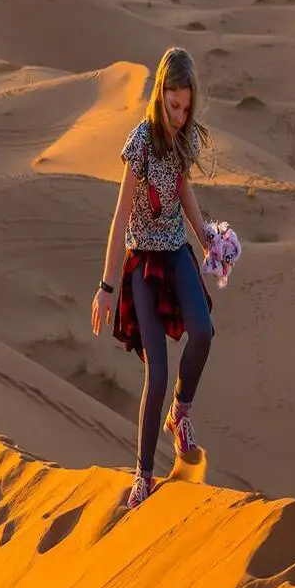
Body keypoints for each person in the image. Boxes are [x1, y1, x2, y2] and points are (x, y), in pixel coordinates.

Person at [92, 47, 215, 509]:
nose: (179, 116)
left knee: (204, 330)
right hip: (143, 261)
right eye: (172, 106)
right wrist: (106, 288)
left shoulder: (183, 140)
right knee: (157, 374)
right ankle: (143, 473)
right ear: (159, 95)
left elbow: (182, 187)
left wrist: (205, 237)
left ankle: (180, 415)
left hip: (176, 250)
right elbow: (121, 213)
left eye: (186, 108)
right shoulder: (141, 142)